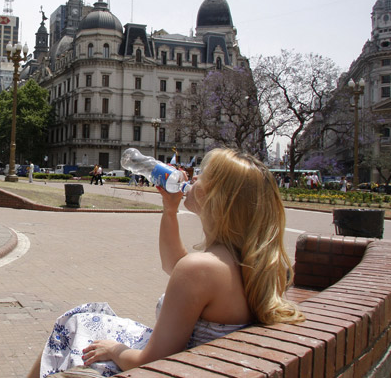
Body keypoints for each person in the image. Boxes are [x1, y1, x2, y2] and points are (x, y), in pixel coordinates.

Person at [28, 148, 304, 378]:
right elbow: (174, 264)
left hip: (164, 366)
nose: (190, 180)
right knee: (82, 318)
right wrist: (169, 209)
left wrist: (113, 350)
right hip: (194, 362)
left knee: (74, 324)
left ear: (214, 198)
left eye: (200, 177)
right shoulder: (242, 262)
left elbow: (152, 359)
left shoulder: (201, 270)